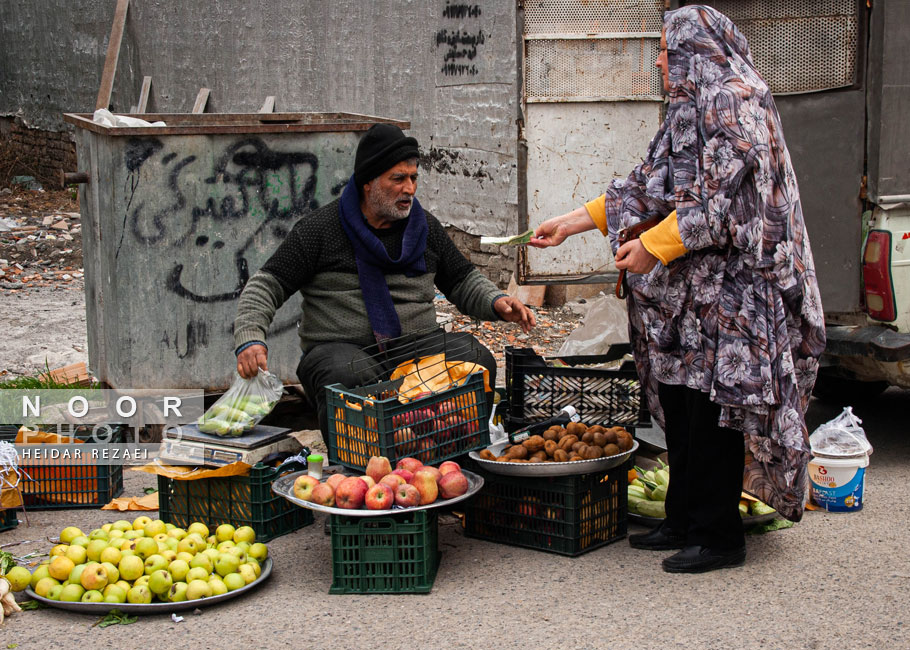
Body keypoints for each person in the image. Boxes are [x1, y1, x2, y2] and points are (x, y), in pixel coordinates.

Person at [530, 6, 825, 573]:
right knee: (682, 399)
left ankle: (719, 537)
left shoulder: (737, 103)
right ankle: (683, 517)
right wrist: (571, 222)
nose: (660, 60)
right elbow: (648, 186)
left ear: (696, 47)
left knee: (718, 410)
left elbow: (723, 207)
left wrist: (653, 248)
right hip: (693, 294)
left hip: (736, 293)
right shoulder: (687, 107)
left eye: (666, 49)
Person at [233, 123, 535, 444]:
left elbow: (461, 279)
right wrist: (251, 338)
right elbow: (267, 285)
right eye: (398, 179)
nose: (409, 189)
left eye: (413, 178)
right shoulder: (320, 230)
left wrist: (496, 301)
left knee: (475, 359)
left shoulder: (424, 228)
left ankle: (454, 451)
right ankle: (356, 465)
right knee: (346, 377)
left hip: (417, 348)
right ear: (369, 182)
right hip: (344, 350)